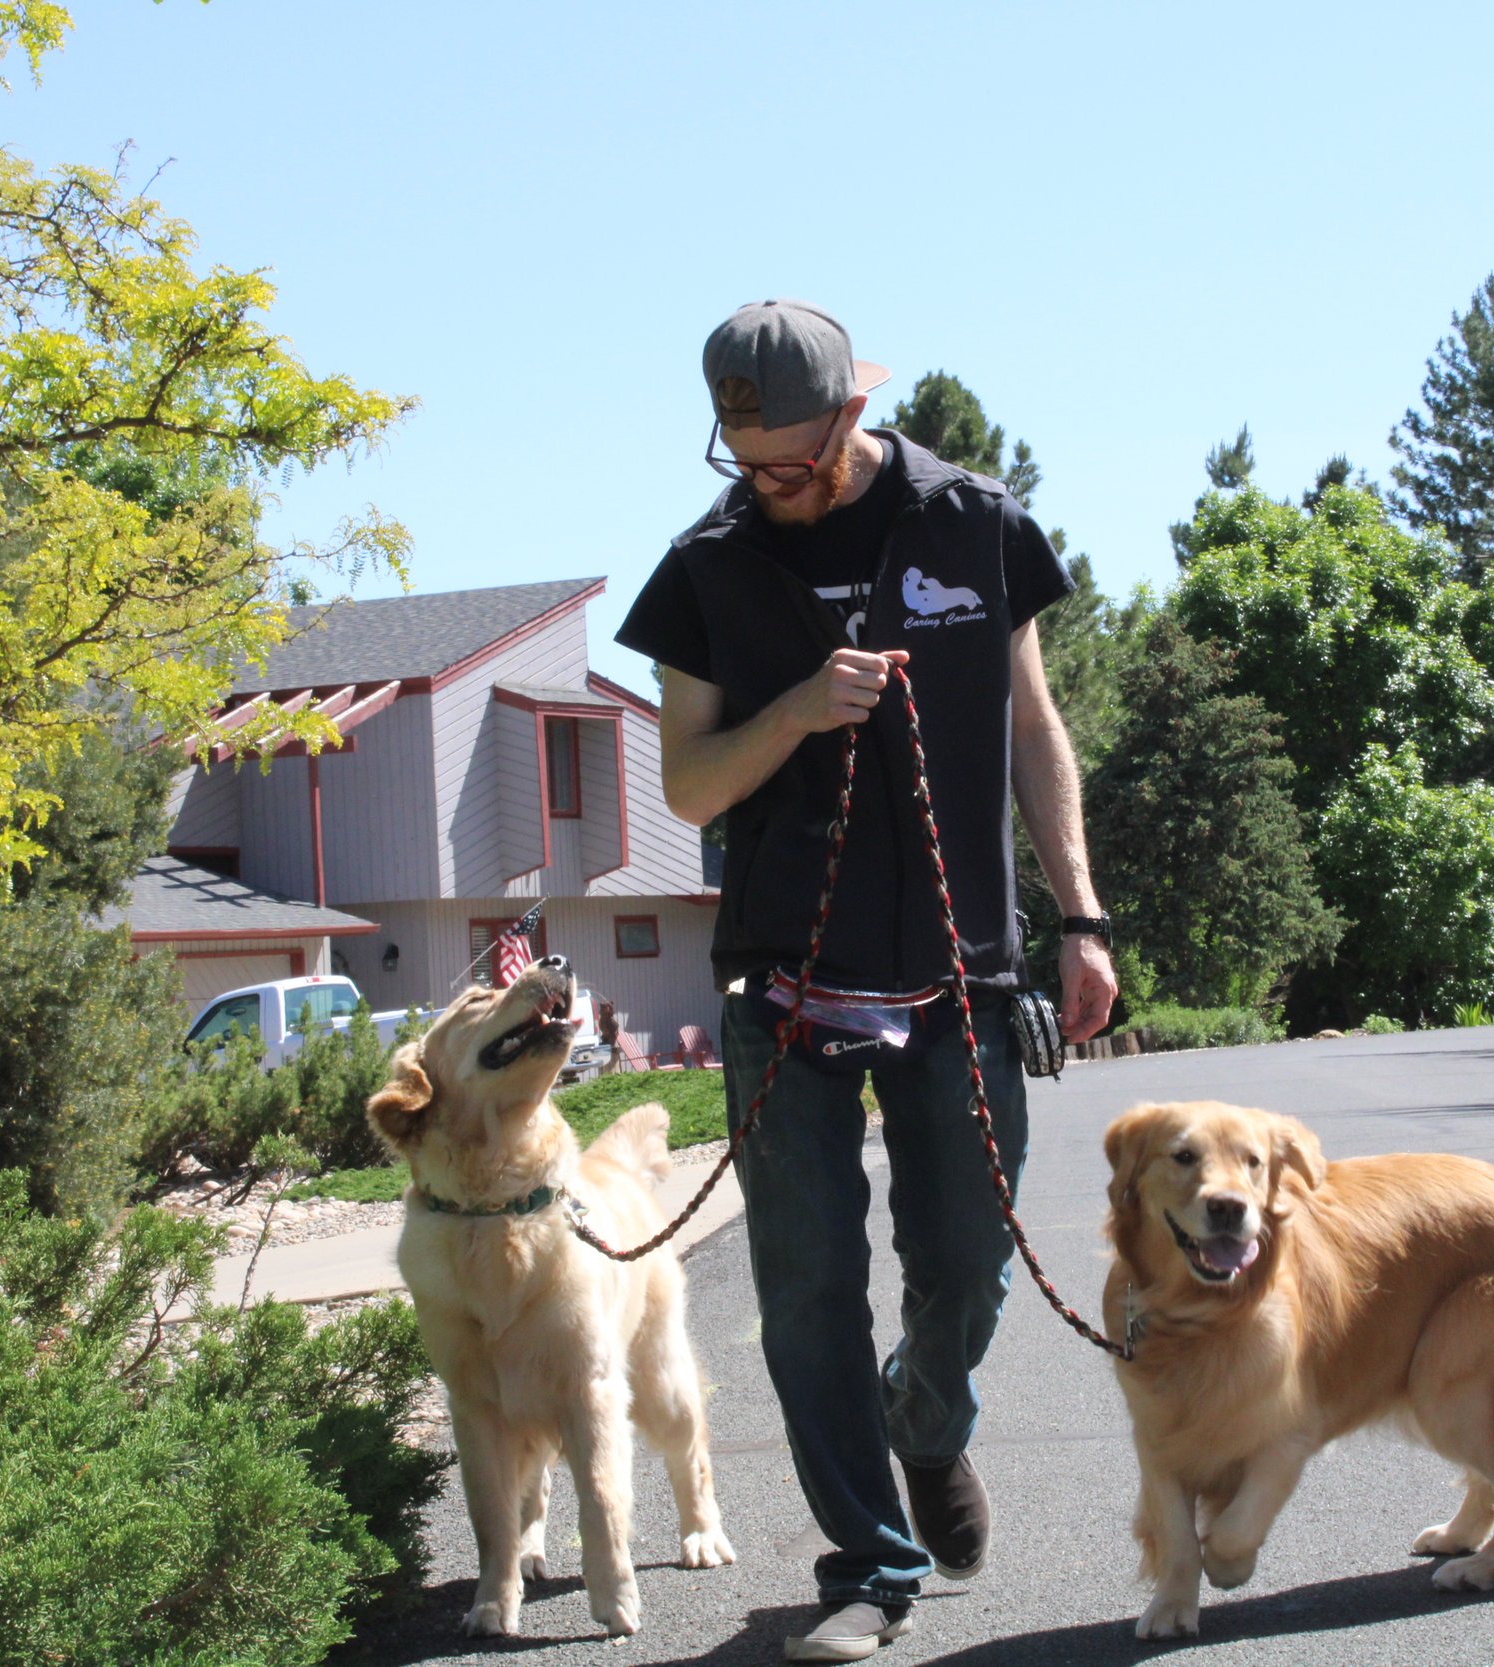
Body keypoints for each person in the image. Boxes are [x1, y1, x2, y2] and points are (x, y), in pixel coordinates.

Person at [616, 299, 1117, 1662]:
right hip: (785, 977)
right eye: (746, 462)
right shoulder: (704, 570)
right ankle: (868, 1565)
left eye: (795, 460)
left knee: (965, 1260)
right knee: (807, 1282)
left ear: (852, 415)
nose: (771, 488)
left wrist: (1081, 918)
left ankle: (930, 1418)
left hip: (964, 970)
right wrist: (790, 712)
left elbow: (1032, 723)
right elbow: (689, 784)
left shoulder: (972, 522)